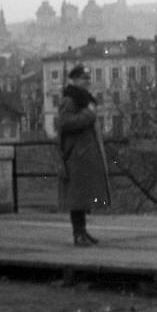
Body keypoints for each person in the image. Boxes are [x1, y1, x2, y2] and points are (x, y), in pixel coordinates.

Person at [58, 63, 111, 246]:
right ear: (73, 80)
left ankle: (82, 232)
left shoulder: (82, 98)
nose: (87, 82)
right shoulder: (70, 99)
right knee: (77, 196)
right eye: (83, 78)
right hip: (76, 155)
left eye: (88, 78)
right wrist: (89, 115)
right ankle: (78, 233)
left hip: (84, 154)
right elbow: (64, 123)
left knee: (82, 196)